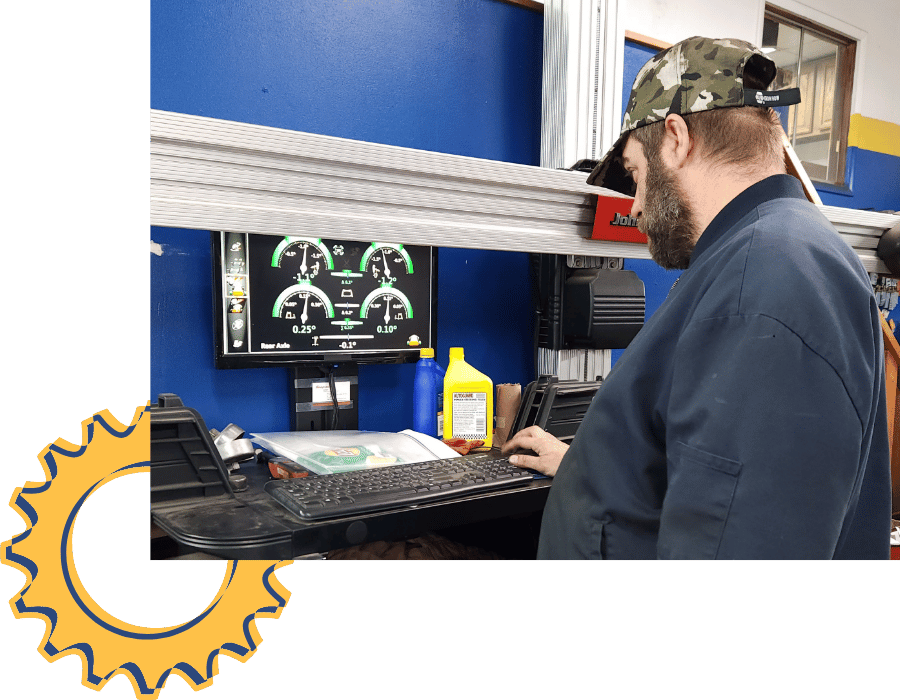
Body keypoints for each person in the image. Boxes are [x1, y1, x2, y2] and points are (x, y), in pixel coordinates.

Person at [502, 36, 891, 560]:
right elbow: (713, 473)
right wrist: (592, 469)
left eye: (636, 175)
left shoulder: (765, 281)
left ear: (677, 138)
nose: (635, 207)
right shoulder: (766, 256)